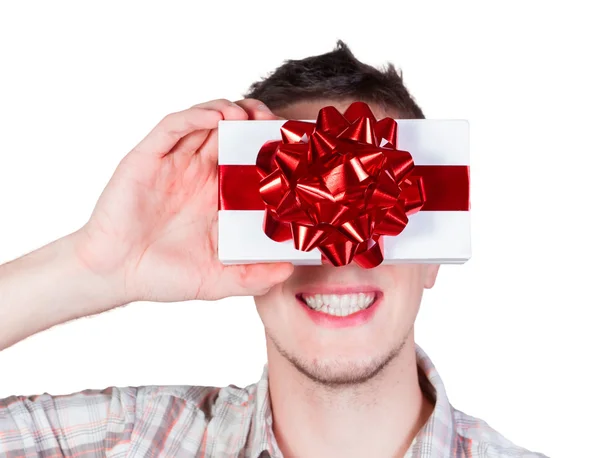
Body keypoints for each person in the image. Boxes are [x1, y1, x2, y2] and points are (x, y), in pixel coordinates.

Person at [0, 41, 547, 458]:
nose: (337, 257)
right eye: (297, 212)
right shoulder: (137, 441)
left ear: (431, 254)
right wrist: (97, 266)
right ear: (242, 245)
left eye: (375, 210)